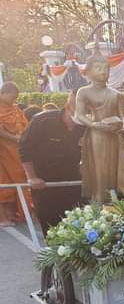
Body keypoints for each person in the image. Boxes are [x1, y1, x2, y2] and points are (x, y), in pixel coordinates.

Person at [19, 90, 85, 233]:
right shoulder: (42, 120)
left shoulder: (85, 125)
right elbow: (25, 148)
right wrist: (32, 177)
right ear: (68, 105)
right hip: (44, 184)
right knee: (51, 227)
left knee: (79, 227)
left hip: (73, 183)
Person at [74, 54, 124, 202]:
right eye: (98, 68)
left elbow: (122, 116)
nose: (103, 72)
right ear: (88, 71)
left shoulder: (116, 94)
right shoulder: (83, 92)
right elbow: (79, 115)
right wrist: (94, 124)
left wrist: (121, 125)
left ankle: (116, 202)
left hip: (114, 135)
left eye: (106, 68)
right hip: (97, 136)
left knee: (114, 170)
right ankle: (99, 200)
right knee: (100, 172)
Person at [0, 82, 31, 226]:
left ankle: (15, 213)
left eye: (15, 98)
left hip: (16, 152)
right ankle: (3, 218)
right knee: (4, 183)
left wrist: (22, 137)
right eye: (12, 97)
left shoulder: (16, 108)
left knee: (18, 180)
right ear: (3, 93)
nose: (14, 101)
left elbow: (25, 126)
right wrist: (14, 138)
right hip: (3, 152)